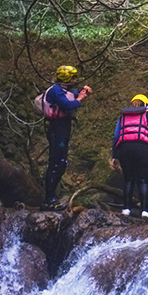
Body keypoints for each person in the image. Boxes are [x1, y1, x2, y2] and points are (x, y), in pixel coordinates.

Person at [40, 65, 91, 211]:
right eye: (73, 77)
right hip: (57, 129)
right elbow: (68, 105)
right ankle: (49, 199)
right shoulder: (56, 90)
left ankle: (51, 197)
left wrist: (82, 92)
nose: (75, 79)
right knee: (56, 163)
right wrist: (81, 98)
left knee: (60, 163)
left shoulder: (63, 90)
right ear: (66, 78)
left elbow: (71, 95)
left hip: (62, 128)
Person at [110, 94, 148, 222]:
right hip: (142, 147)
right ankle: (145, 210)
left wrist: (115, 156)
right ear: (145, 105)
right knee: (143, 180)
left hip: (124, 148)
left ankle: (126, 208)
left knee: (128, 179)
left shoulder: (123, 116)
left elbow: (116, 136)